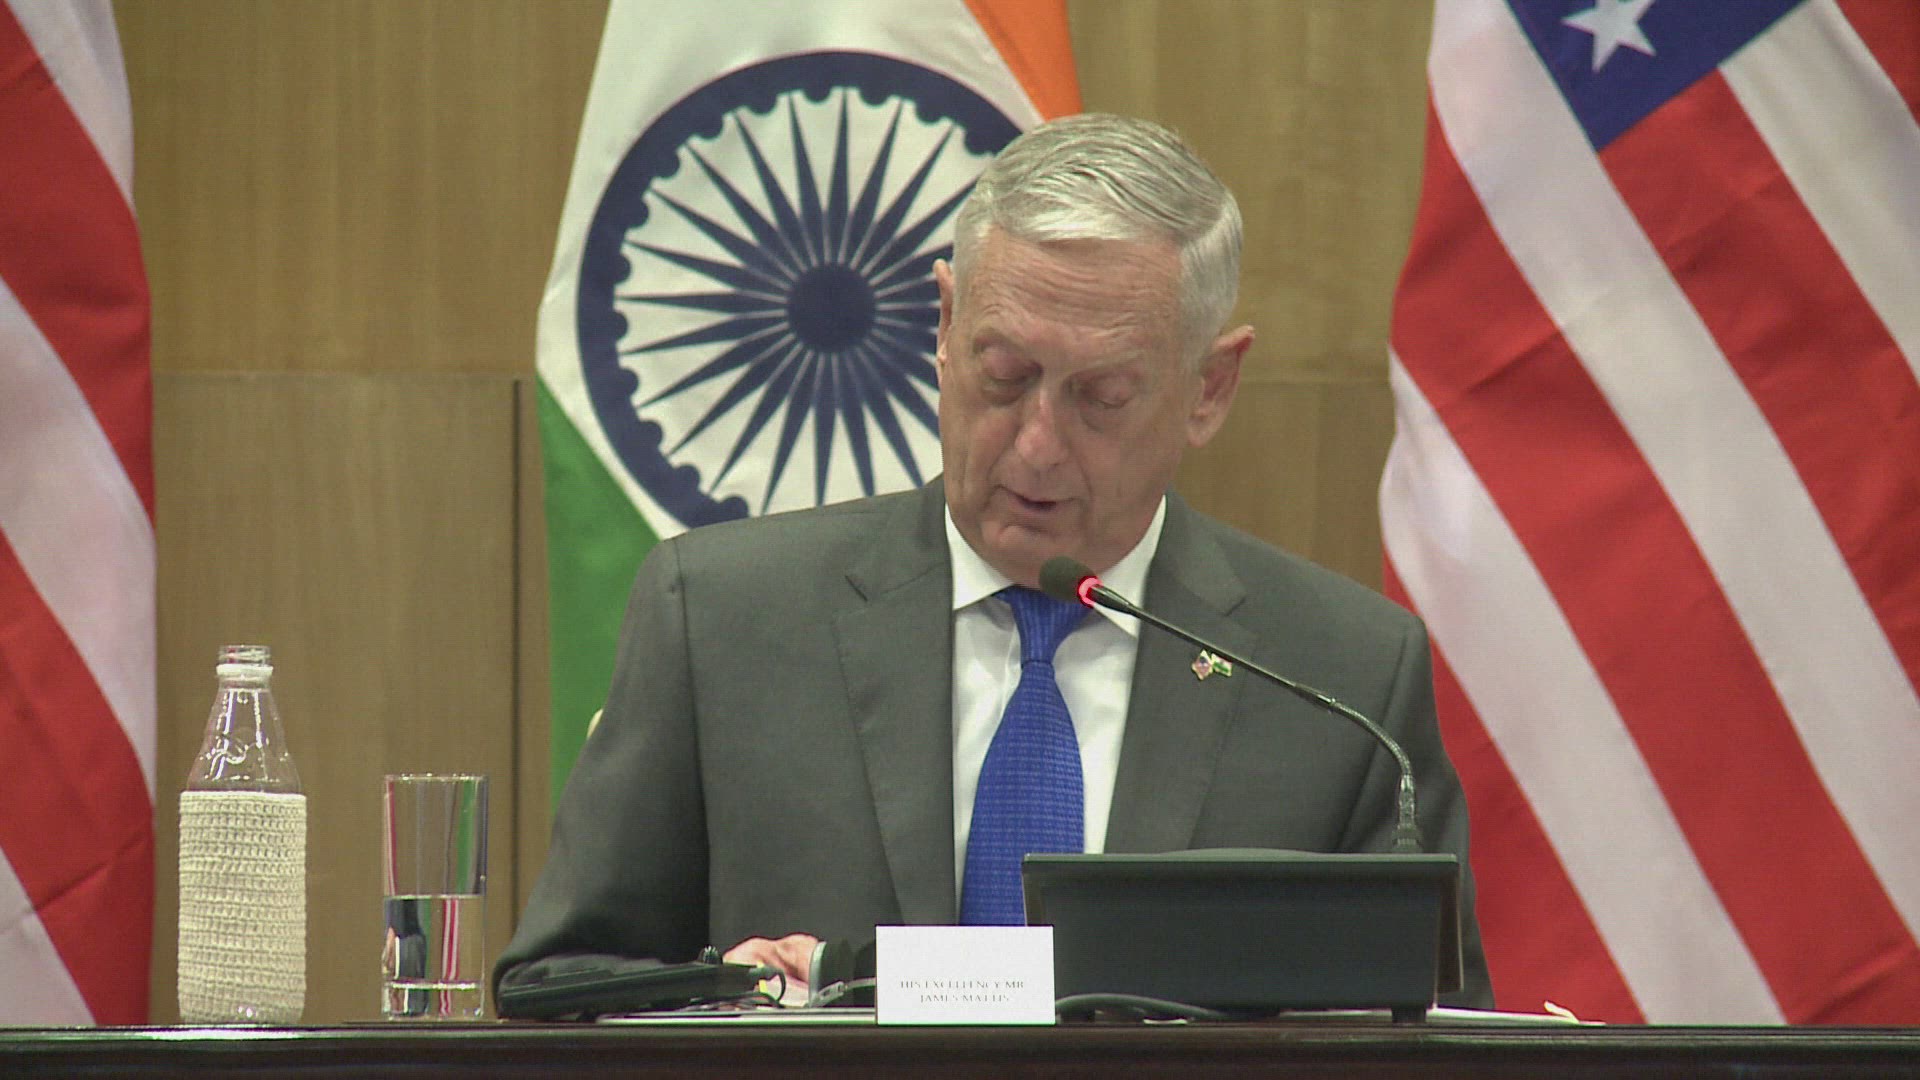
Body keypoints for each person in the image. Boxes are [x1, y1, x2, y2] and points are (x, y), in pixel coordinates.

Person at [498, 112, 1493, 1006]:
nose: (1036, 446)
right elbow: (560, 985)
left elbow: (1429, 1036)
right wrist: (726, 996)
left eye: (1102, 396)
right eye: (1004, 375)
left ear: (1210, 388)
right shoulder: (721, 620)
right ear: (943, 326)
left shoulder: (1341, 678)